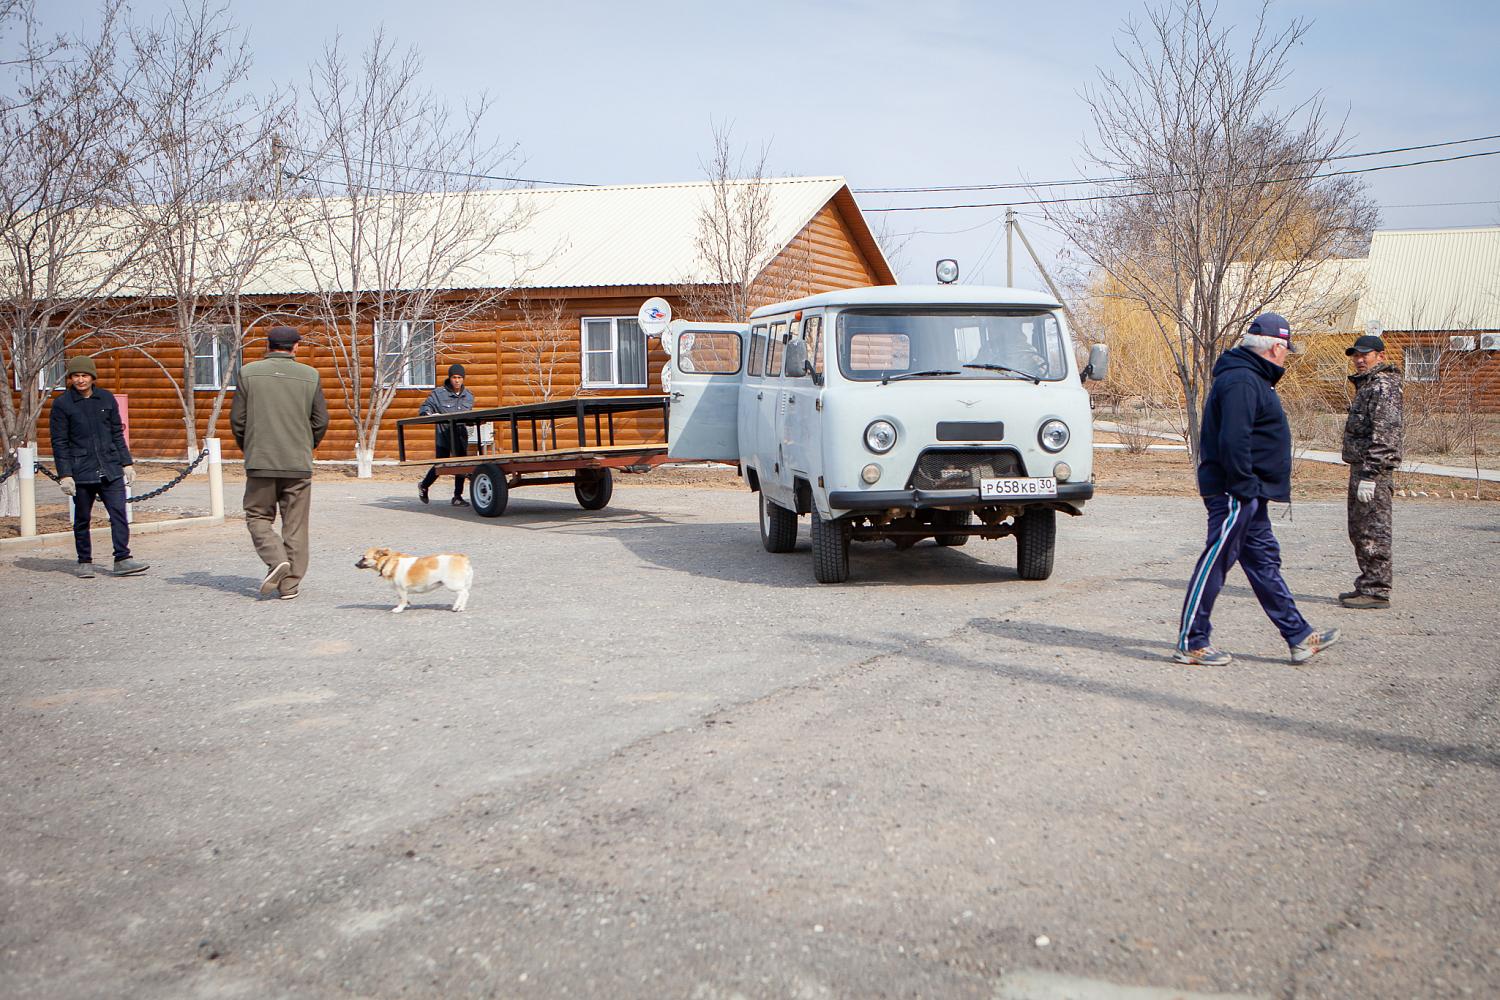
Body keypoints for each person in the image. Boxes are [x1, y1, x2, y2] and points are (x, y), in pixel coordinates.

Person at [1174, 312, 1339, 666]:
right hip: (1236, 492)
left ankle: (1297, 635)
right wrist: (1244, 485)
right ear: (1276, 348)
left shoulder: (1251, 377)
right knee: (1216, 560)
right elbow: (1234, 438)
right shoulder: (1243, 381)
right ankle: (1192, 641)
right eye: (1286, 349)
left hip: (1250, 491)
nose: (1286, 357)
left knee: (1264, 561)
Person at [230, 325, 329, 601]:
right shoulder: (310, 375)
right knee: (295, 525)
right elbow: (320, 421)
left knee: (257, 515)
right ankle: (290, 585)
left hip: (261, 459)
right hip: (298, 462)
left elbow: (238, 420)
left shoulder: (247, 373)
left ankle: (276, 559)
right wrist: (306, 446)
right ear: (295, 346)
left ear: (268, 345)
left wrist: (249, 447)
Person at [48, 356, 149, 579]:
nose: (81, 380)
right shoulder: (62, 404)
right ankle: (84, 561)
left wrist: (127, 462)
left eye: (85, 375)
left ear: (93, 377)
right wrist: (65, 474)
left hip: (110, 467)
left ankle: (122, 558)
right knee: (82, 518)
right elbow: (59, 442)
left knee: (118, 513)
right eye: (76, 376)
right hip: (81, 470)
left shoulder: (106, 398)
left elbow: (116, 432)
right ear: (70, 378)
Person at [1339, 334, 1402, 609]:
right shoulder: (1367, 385)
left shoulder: (1383, 386)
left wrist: (1371, 474)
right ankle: (1368, 582)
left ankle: (1377, 590)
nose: (1359, 359)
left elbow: (1385, 435)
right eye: (1356, 355)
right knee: (1360, 530)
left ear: (1381, 356)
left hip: (1372, 473)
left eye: (1365, 354)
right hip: (1361, 469)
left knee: (1374, 531)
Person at [417, 364, 474, 507]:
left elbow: (469, 415)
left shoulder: (468, 396)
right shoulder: (439, 394)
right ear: (450, 378)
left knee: (461, 464)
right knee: (441, 465)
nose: (457, 381)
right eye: (454, 377)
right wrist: (428, 413)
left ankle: (457, 496)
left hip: (460, 435)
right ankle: (424, 486)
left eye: (460, 378)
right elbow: (425, 407)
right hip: (444, 434)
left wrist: (472, 421)